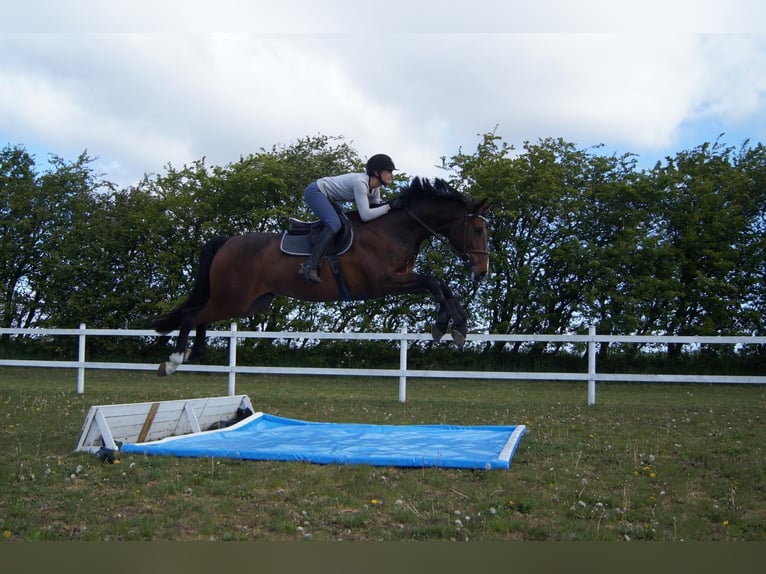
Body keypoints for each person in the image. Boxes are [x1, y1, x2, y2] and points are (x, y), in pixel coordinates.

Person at [297, 153, 396, 284]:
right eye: (389, 171)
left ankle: (316, 230)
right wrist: (388, 207)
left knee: (345, 220)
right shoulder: (361, 182)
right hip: (315, 192)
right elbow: (366, 215)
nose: (392, 175)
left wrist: (392, 208)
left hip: (327, 197)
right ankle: (309, 266)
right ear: (377, 172)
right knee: (334, 224)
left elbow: (376, 210)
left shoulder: (375, 189)